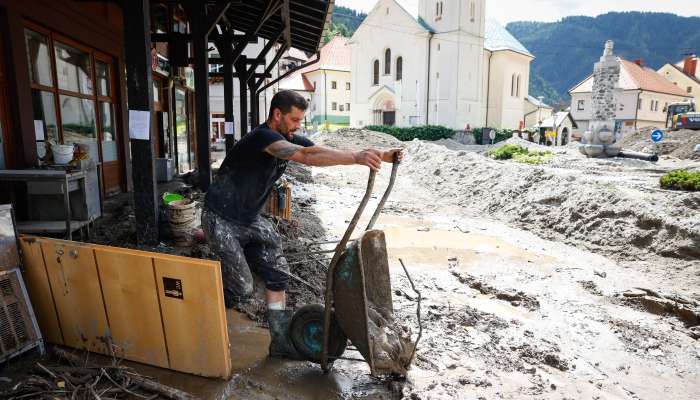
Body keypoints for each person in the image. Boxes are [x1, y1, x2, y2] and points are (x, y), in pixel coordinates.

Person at [202, 90, 402, 356]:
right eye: (295, 120)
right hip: (221, 217)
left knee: (278, 275)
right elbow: (306, 156)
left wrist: (378, 155)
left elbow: (317, 152)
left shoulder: (288, 137)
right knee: (242, 288)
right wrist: (356, 157)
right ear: (277, 115)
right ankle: (199, 310)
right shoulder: (263, 138)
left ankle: (281, 343)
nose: (298, 126)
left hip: (249, 219)